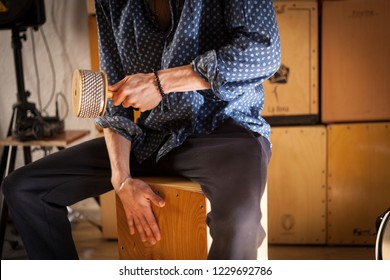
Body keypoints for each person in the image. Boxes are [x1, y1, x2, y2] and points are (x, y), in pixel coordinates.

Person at [2, 0, 280, 259]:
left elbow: (264, 54)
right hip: (153, 139)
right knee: (24, 187)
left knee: (241, 221)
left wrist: (161, 83)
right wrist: (121, 179)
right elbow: (115, 108)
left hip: (225, 133)